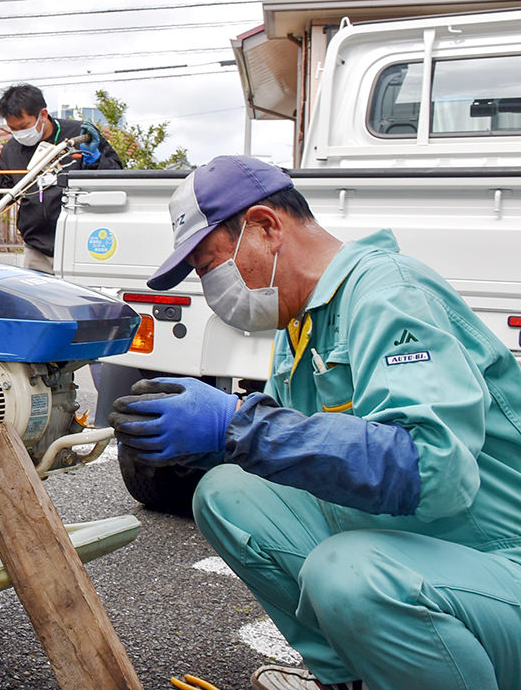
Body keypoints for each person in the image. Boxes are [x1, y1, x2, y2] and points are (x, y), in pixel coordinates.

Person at [109, 156, 521, 690]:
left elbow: (433, 470)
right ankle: (352, 677)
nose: (211, 287)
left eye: (212, 265)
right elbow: (299, 454)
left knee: (351, 575)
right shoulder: (302, 323)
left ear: (264, 227)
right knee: (227, 492)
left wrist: (236, 425)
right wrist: (209, 447)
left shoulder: (390, 294)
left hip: (498, 566)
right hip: (426, 550)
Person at [0, 84, 123, 274]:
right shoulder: (12, 149)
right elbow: (6, 197)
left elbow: (117, 177)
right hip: (37, 248)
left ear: (43, 114)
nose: (20, 133)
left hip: (84, 243)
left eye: (24, 126)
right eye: (13, 129)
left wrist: (95, 159)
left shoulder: (81, 136)